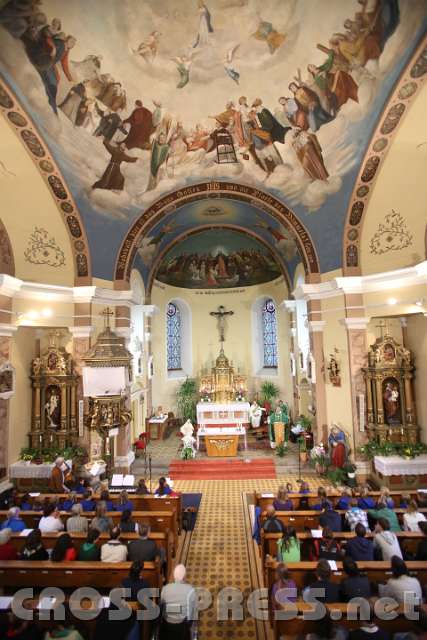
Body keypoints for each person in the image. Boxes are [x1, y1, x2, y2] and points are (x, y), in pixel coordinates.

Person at [159, 564, 196, 638]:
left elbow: (161, 606)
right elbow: (192, 612)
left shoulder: (165, 588)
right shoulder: (190, 590)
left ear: (173, 575)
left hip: (166, 626)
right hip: (182, 628)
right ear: (184, 576)